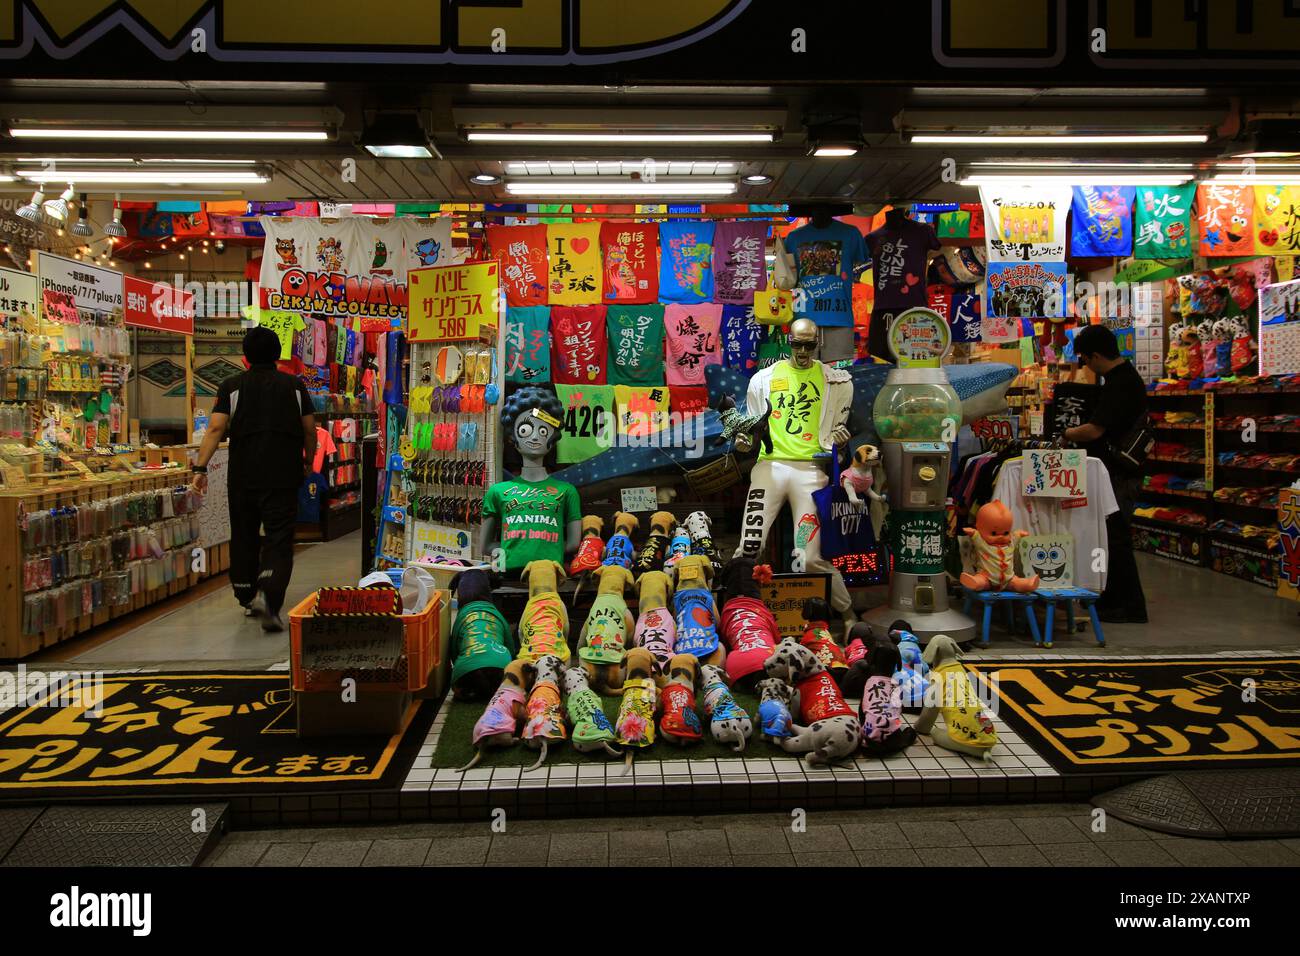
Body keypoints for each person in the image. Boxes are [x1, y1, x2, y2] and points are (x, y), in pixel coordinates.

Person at [191, 326, 316, 631]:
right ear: (277, 355)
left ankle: (247, 593)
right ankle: (269, 596)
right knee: (278, 537)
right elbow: (310, 429)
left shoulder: (232, 386)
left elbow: (216, 429)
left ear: (246, 356)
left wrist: (200, 467)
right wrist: (308, 462)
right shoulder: (294, 387)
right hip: (283, 475)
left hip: (244, 476)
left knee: (245, 534)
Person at [733, 318, 856, 619]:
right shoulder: (763, 379)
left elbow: (838, 436)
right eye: (797, 344)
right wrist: (744, 441)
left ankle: (848, 612)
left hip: (811, 471)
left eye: (809, 344)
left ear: (818, 343)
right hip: (770, 467)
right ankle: (738, 609)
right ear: (788, 341)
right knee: (749, 546)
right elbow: (750, 432)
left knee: (809, 555)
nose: (803, 351)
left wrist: (841, 441)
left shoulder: (837, 382)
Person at [1063, 324, 1148, 624]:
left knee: (1116, 538)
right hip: (1116, 469)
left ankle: (1130, 607)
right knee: (1110, 537)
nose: (1086, 365)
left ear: (1096, 355)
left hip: (1120, 473)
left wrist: (1067, 433)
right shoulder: (1121, 379)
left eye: (1085, 359)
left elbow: (1094, 430)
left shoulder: (1120, 383)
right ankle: (1112, 600)